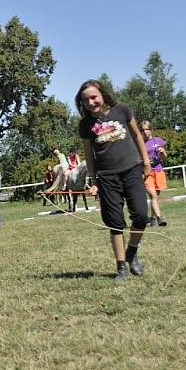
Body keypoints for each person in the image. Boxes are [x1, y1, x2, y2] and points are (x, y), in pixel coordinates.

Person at [75, 79, 153, 281]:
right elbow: (89, 155)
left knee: (141, 217)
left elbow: (136, 135)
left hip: (132, 170)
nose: (91, 102)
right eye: (86, 100)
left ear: (102, 94)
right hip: (107, 177)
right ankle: (121, 268)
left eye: (94, 97)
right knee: (115, 223)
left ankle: (132, 252)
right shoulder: (85, 125)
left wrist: (145, 162)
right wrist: (94, 181)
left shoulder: (122, 110)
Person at [140, 120, 168, 226]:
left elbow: (164, 158)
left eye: (147, 129)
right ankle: (159, 218)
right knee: (153, 195)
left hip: (158, 171)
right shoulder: (139, 143)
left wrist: (162, 152)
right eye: (142, 130)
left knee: (155, 197)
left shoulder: (158, 140)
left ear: (151, 130)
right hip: (147, 173)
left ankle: (152, 218)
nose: (145, 132)